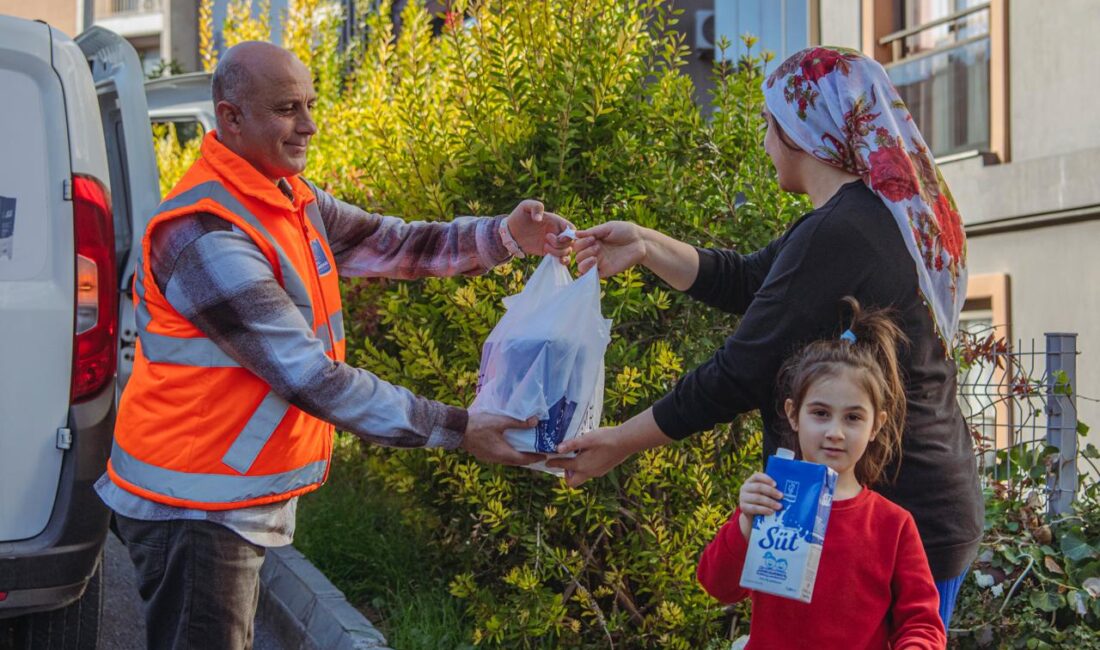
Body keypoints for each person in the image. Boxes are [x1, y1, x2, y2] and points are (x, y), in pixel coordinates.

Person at [95, 41, 572, 648]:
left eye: (310, 104)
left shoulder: (286, 197)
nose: (310, 125)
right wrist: (458, 427)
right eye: (288, 108)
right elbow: (309, 377)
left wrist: (505, 235)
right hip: (193, 507)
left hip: (219, 496)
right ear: (231, 117)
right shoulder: (204, 232)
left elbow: (391, 243)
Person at [550, 46, 981, 626]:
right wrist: (646, 246)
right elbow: (751, 280)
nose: (764, 143)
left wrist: (618, 442)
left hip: (895, 512)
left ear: (803, 130)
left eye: (769, 126)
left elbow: (736, 373)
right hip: (885, 498)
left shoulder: (845, 230)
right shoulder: (866, 215)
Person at [696, 298, 946, 649]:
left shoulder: (893, 525)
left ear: (877, 425)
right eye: (820, 413)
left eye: (853, 417)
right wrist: (745, 525)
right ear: (793, 414)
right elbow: (717, 586)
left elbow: (922, 622)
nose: (835, 432)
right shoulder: (771, 502)